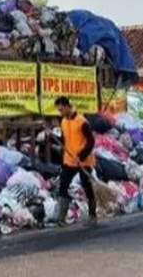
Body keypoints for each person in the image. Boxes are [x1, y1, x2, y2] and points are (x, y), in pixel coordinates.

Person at [54, 96, 97, 225]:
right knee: (63, 185)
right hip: (69, 160)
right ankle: (61, 218)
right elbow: (64, 140)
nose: (60, 113)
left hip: (83, 160)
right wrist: (53, 137)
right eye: (59, 110)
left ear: (68, 106)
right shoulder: (63, 122)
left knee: (86, 186)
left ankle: (92, 214)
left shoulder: (82, 121)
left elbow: (91, 142)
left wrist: (81, 156)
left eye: (61, 110)